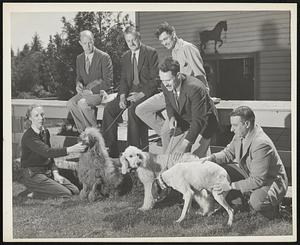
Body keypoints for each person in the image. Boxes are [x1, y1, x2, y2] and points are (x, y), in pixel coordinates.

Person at [201, 106, 288, 219]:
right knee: (220, 170)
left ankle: (274, 209)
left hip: (270, 181)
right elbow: (228, 154)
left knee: (257, 202)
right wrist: (211, 158)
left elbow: (258, 180)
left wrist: (231, 186)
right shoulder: (240, 134)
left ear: (247, 124)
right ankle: (238, 204)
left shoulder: (261, 143)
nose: (231, 129)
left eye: (235, 125)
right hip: (250, 174)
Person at [135, 21, 209, 152]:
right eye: (161, 41)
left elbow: (200, 75)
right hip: (170, 91)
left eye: (165, 39)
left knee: (166, 133)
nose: (164, 43)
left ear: (173, 34)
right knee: (140, 110)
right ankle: (170, 133)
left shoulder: (188, 48)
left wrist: (204, 96)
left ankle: (169, 137)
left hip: (184, 95)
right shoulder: (174, 51)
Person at [102, 26, 159, 158]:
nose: (131, 44)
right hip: (129, 93)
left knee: (134, 110)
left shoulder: (151, 53)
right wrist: (122, 97)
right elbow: (123, 80)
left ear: (139, 38)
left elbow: (155, 79)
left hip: (146, 92)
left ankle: (135, 153)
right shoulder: (126, 56)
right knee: (109, 109)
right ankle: (112, 150)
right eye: (128, 41)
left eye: (133, 40)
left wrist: (141, 94)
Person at [19, 104, 87, 200]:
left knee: (75, 190)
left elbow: (50, 158)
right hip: (33, 175)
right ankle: (32, 193)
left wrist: (56, 174)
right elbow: (48, 152)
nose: (41, 118)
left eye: (42, 115)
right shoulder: (29, 136)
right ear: (30, 118)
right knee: (66, 194)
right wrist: (72, 149)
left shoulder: (45, 132)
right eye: (36, 115)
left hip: (47, 172)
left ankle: (40, 189)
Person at [159, 57, 218, 158]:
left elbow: (198, 120)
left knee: (194, 161)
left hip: (204, 125)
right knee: (171, 158)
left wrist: (185, 144)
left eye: (168, 80)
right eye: (162, 80)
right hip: (184, 122)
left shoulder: (195, 88)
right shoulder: (165, 84)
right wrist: (172, 116)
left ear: (178, 75)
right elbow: (169, 103)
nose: (165, 84)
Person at [67, 30, 113, 133]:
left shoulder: (104, 57)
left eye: (90, 42)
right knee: (70, 103)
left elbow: (108, 81)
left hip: (100, 92)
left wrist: (92, 90)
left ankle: (94, 132)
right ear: (80, 43)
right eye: (84, 43)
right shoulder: (79, 58)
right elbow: (79, 77)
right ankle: (84, 132)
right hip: (85, 92)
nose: (87, 46)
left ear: (93, 41)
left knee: (82, 103)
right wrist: (78, 84)